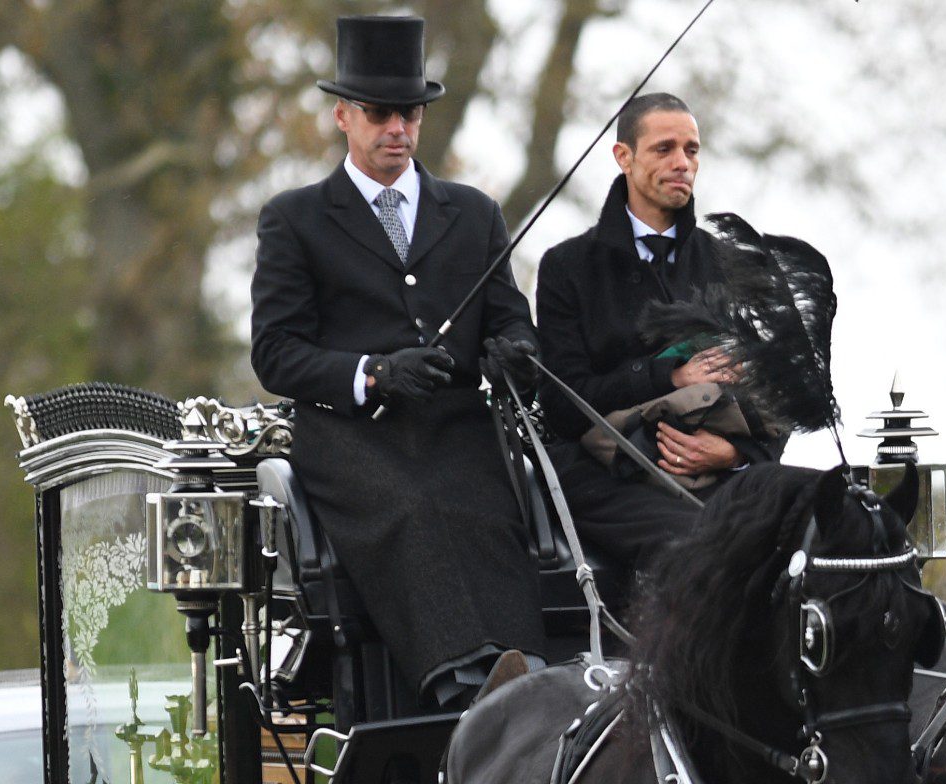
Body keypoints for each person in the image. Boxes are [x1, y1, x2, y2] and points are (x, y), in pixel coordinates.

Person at [250, 15, 543, 711]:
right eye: (380, 114)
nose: (398, 130)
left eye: (408, 114)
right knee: (413, 507)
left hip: (456, 429)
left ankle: (523, 672)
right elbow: (276, 352)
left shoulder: (473, 214)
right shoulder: (295, 219)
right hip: (352, 438)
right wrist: (372, 373)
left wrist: (516, 351)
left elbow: (508, 316)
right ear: (343, 117)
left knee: (483, 507)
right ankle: (465, 680)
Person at [535, 93, 785, 568]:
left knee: (821, 520)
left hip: (727, 474)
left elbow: (779, 395)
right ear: (623, 157)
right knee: (702, 545)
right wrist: (669, 378)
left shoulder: (731, 265)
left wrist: (733, 453)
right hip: (606, 477)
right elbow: (564, 406)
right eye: (664, 148)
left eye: (691, 150)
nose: (682, 163)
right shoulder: (567, 267)